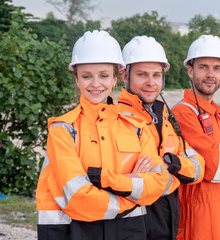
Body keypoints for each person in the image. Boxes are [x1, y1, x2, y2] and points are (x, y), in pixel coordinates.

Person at [36, 30, 175, 240]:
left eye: (103, 75)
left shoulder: (136, 126)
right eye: (86, 76)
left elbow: (158, 183)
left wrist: (107, 183)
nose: (95, 84)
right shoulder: (63, 130)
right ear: (76, 79)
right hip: (77, 232)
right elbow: (78, 198)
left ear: (115, 78)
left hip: (131, 231)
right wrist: (132, 192)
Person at [119, 35, 205, 240]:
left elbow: (199, 166)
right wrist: (176, 169)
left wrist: (170, 163)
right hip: (134, 224)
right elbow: (147, 182)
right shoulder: (117, 118)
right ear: (125, 75)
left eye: (156, 75)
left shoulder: (164, 116)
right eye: (142, 75)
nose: (151, 82)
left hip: (168, 220)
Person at [171, 35, 220, 240]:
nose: (210, 74)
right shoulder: (183, 114)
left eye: (217, 68)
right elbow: (216, 167)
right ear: (190, 70)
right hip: (199, 222)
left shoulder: (218, 115)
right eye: (203, 67)